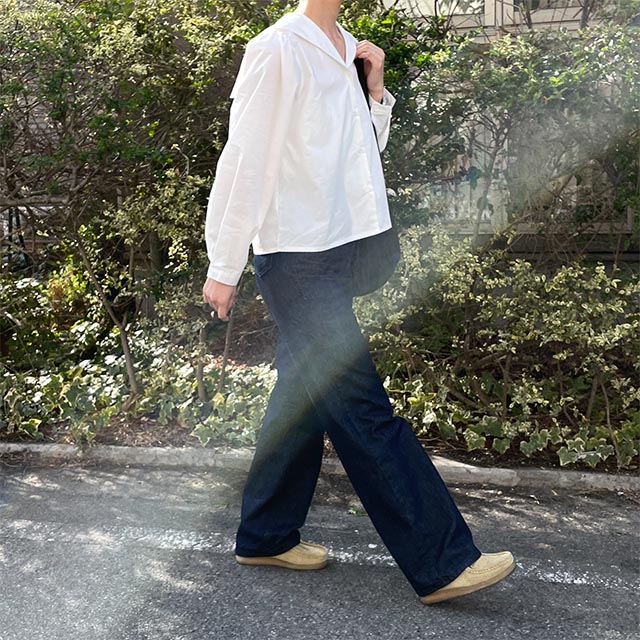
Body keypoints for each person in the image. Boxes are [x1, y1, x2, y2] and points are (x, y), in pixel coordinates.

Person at [202, 0, 515, 605]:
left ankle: (265, 534)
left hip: (335, 249)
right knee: (363, 407)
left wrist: (374, 93)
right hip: (295, 257)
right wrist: (225, 262)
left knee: (301, 398)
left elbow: (355, 159)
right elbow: (245, 161)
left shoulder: (349, 49)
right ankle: (443, 562)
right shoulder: (277, 49)